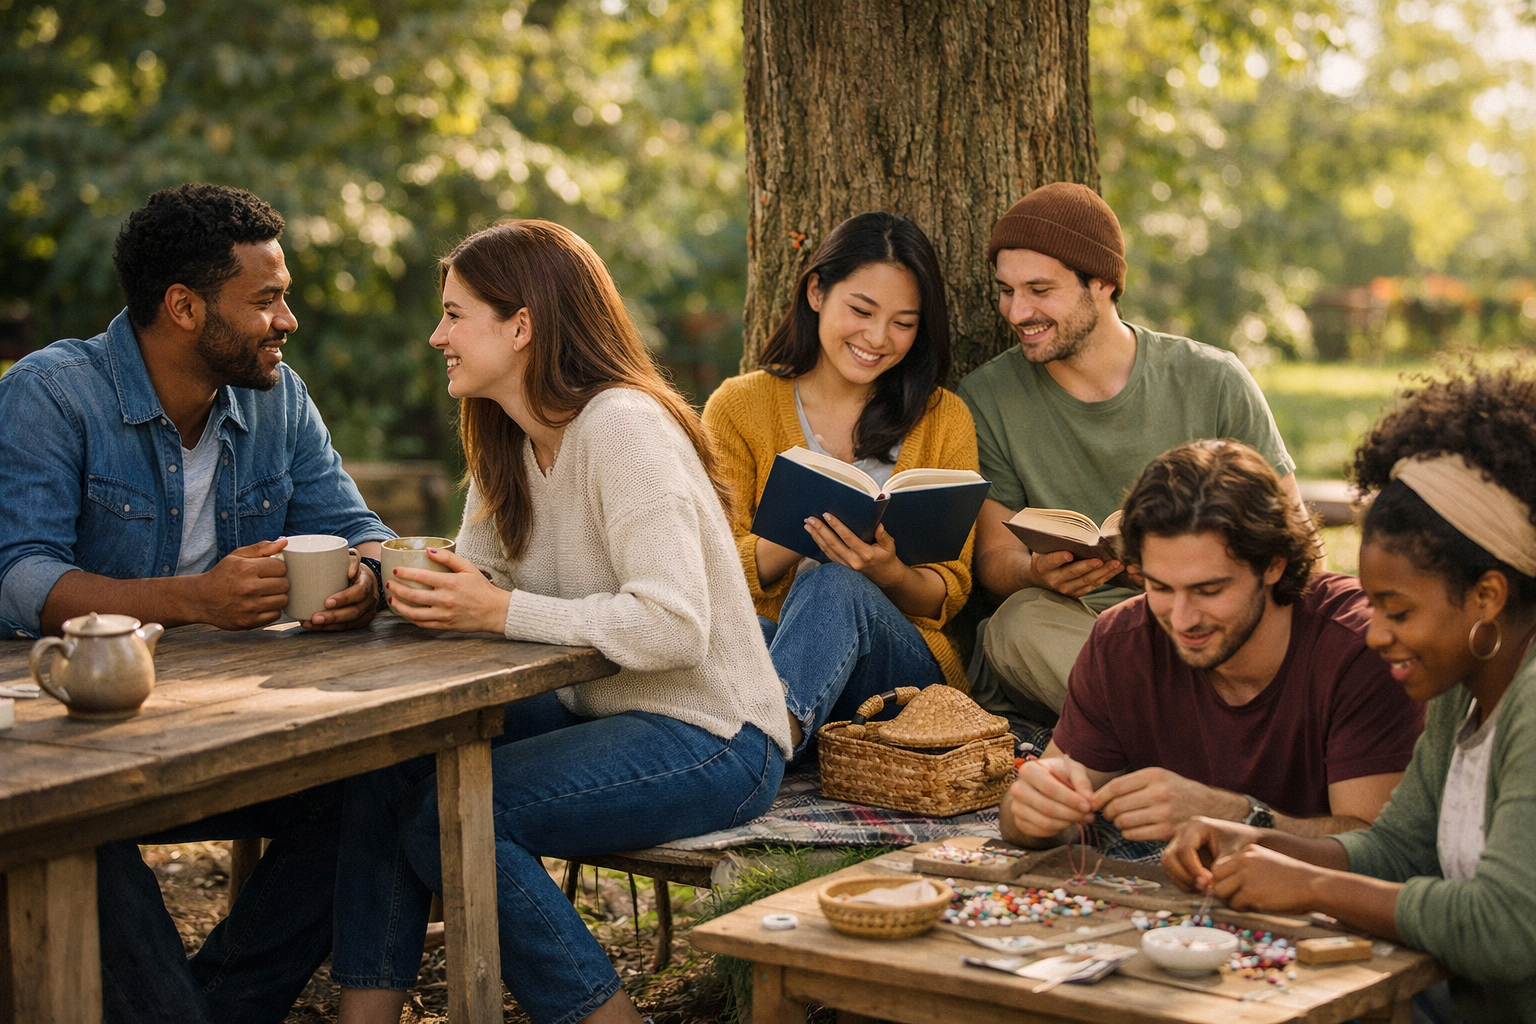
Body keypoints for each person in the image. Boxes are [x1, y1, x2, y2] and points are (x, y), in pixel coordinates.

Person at [331, 220, 791, 1024]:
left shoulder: (623, 427)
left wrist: (500, 611)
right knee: (389, 763)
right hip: (601, 708)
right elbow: (485, 579)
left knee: (455, 817)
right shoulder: (505, 436)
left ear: (522, 326)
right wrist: (388, 584)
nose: (437, 335)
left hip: (714, 734)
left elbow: (674, 626)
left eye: (454, 314)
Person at [0, 184, 393, 1022]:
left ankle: (217, 1008)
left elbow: (362, 530)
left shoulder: (278, 397)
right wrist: (195, 599)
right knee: (67, 828)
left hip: (224, 732)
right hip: (68, 736)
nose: (288, 320)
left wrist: (366, 581)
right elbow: (20, 578)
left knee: (381, 785)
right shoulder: (52, 394)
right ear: (184, 307)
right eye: (266, 299)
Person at [1163, 370, 1536, 1024]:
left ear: (1486, 597)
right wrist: (1255, 843)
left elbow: (1504, 927)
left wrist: (1311, 885)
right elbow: (1399, 851)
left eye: (1397, 611)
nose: (1375, 635)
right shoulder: (1468, 687)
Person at [958, 182, 1298, 726]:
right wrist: (1037, 573)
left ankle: (1170, 733)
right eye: (1006, 290)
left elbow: (1292, 535)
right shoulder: (987, 396)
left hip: (1205, 617)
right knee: (1017, 623)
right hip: (1076, 630)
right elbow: (996, 557)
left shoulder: (1213, 380)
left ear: (1103, 283)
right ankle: (1201, 731)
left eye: (1039, 290)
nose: (1017, 311)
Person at [1000, 440, 1422, 854]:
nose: (1182, 619)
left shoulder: (1363, 645)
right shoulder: (1121, 643)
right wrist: (1030, 811)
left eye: (1209, 590)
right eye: (1161, 588)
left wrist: (1234, 815)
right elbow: (1030, 819)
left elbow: (1381, 849)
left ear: (1273, 564)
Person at [701, 211, 978, 759]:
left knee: (837, 583)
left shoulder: (944, 418)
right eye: (862, 311)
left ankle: (761, 753)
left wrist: (887, 572)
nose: (877, 338)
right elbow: (709, 568)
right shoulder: (739, 406)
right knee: (734, 635)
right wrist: (800, 533)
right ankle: (777, 736)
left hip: (896, 678)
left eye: (903, 323)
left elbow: (950, 590)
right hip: (772, 646)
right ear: (816, 292)